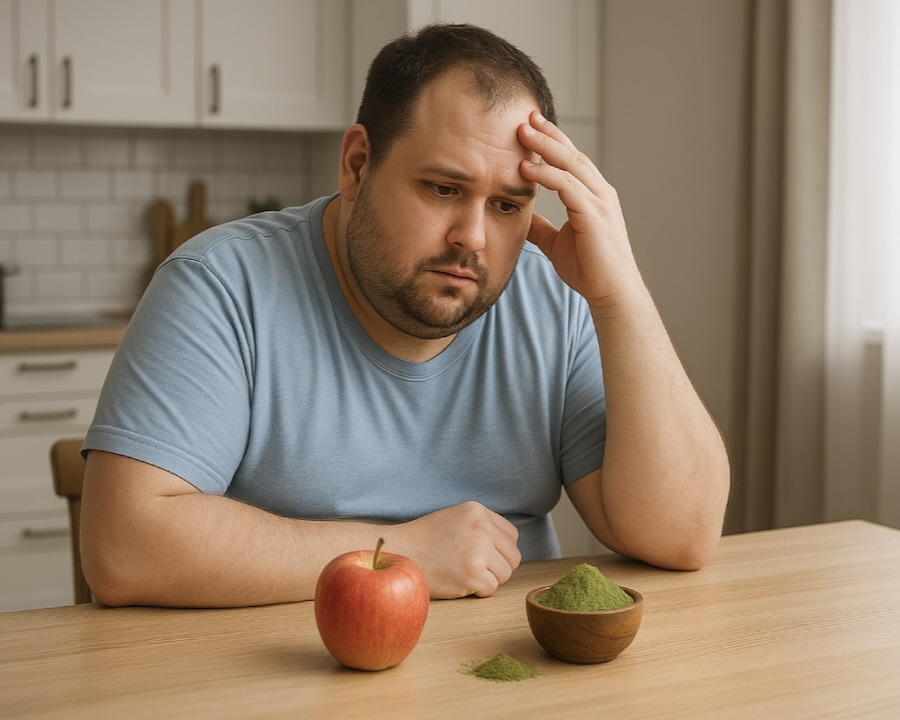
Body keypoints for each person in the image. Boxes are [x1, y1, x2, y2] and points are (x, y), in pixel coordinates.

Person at [80, 23, 730, 608]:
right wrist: (402, 552)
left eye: (509, 205)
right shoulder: (220, 285)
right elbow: (124, 548)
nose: (473, 237)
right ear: (358, 164)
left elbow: (682, 537)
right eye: (444, 189)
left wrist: (620, 297)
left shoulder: (555, 296)